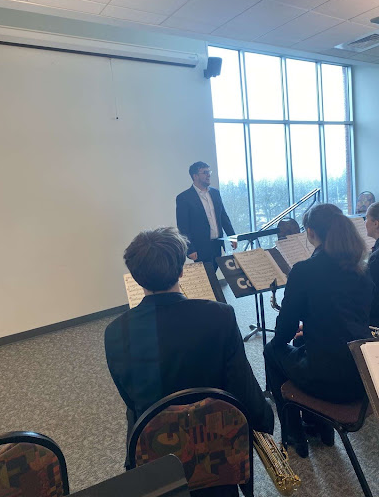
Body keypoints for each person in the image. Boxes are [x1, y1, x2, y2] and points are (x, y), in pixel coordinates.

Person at [105, 227, 273, 496]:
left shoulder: (115, 333)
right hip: (221, 454)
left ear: (136, 279)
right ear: (182, 270)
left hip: (158, 460)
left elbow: (132, 400)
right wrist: (264, 419)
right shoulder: (220, 316)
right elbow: (242, 385)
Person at [264, 203, 372, 458]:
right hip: (360, 378)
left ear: (310, 232)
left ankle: (293, 433)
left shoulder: (305, 271)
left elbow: (283, 332)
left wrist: (294, 333)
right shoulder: (360, 269)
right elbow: (349, 320)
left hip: (331, 382)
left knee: (272, 349)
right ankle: (321, 429)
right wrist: (311, 329)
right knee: (303, 344)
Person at [176, 162, 237, 270]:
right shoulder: (184, 198)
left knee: (214, 273)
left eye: (209, 172)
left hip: (217, 244)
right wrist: (190, 248)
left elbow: (223, 217)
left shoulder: (215, 193)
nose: (209, 175)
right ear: (195, 176)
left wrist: (232, 236)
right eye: (205, 172)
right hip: (200, 248)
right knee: (207, 279)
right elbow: (183, 227)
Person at [365, 201, 379, 326]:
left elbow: (371, 298)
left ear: (376, 223)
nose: (365, 223)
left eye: (366, 219)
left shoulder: (376, 258)